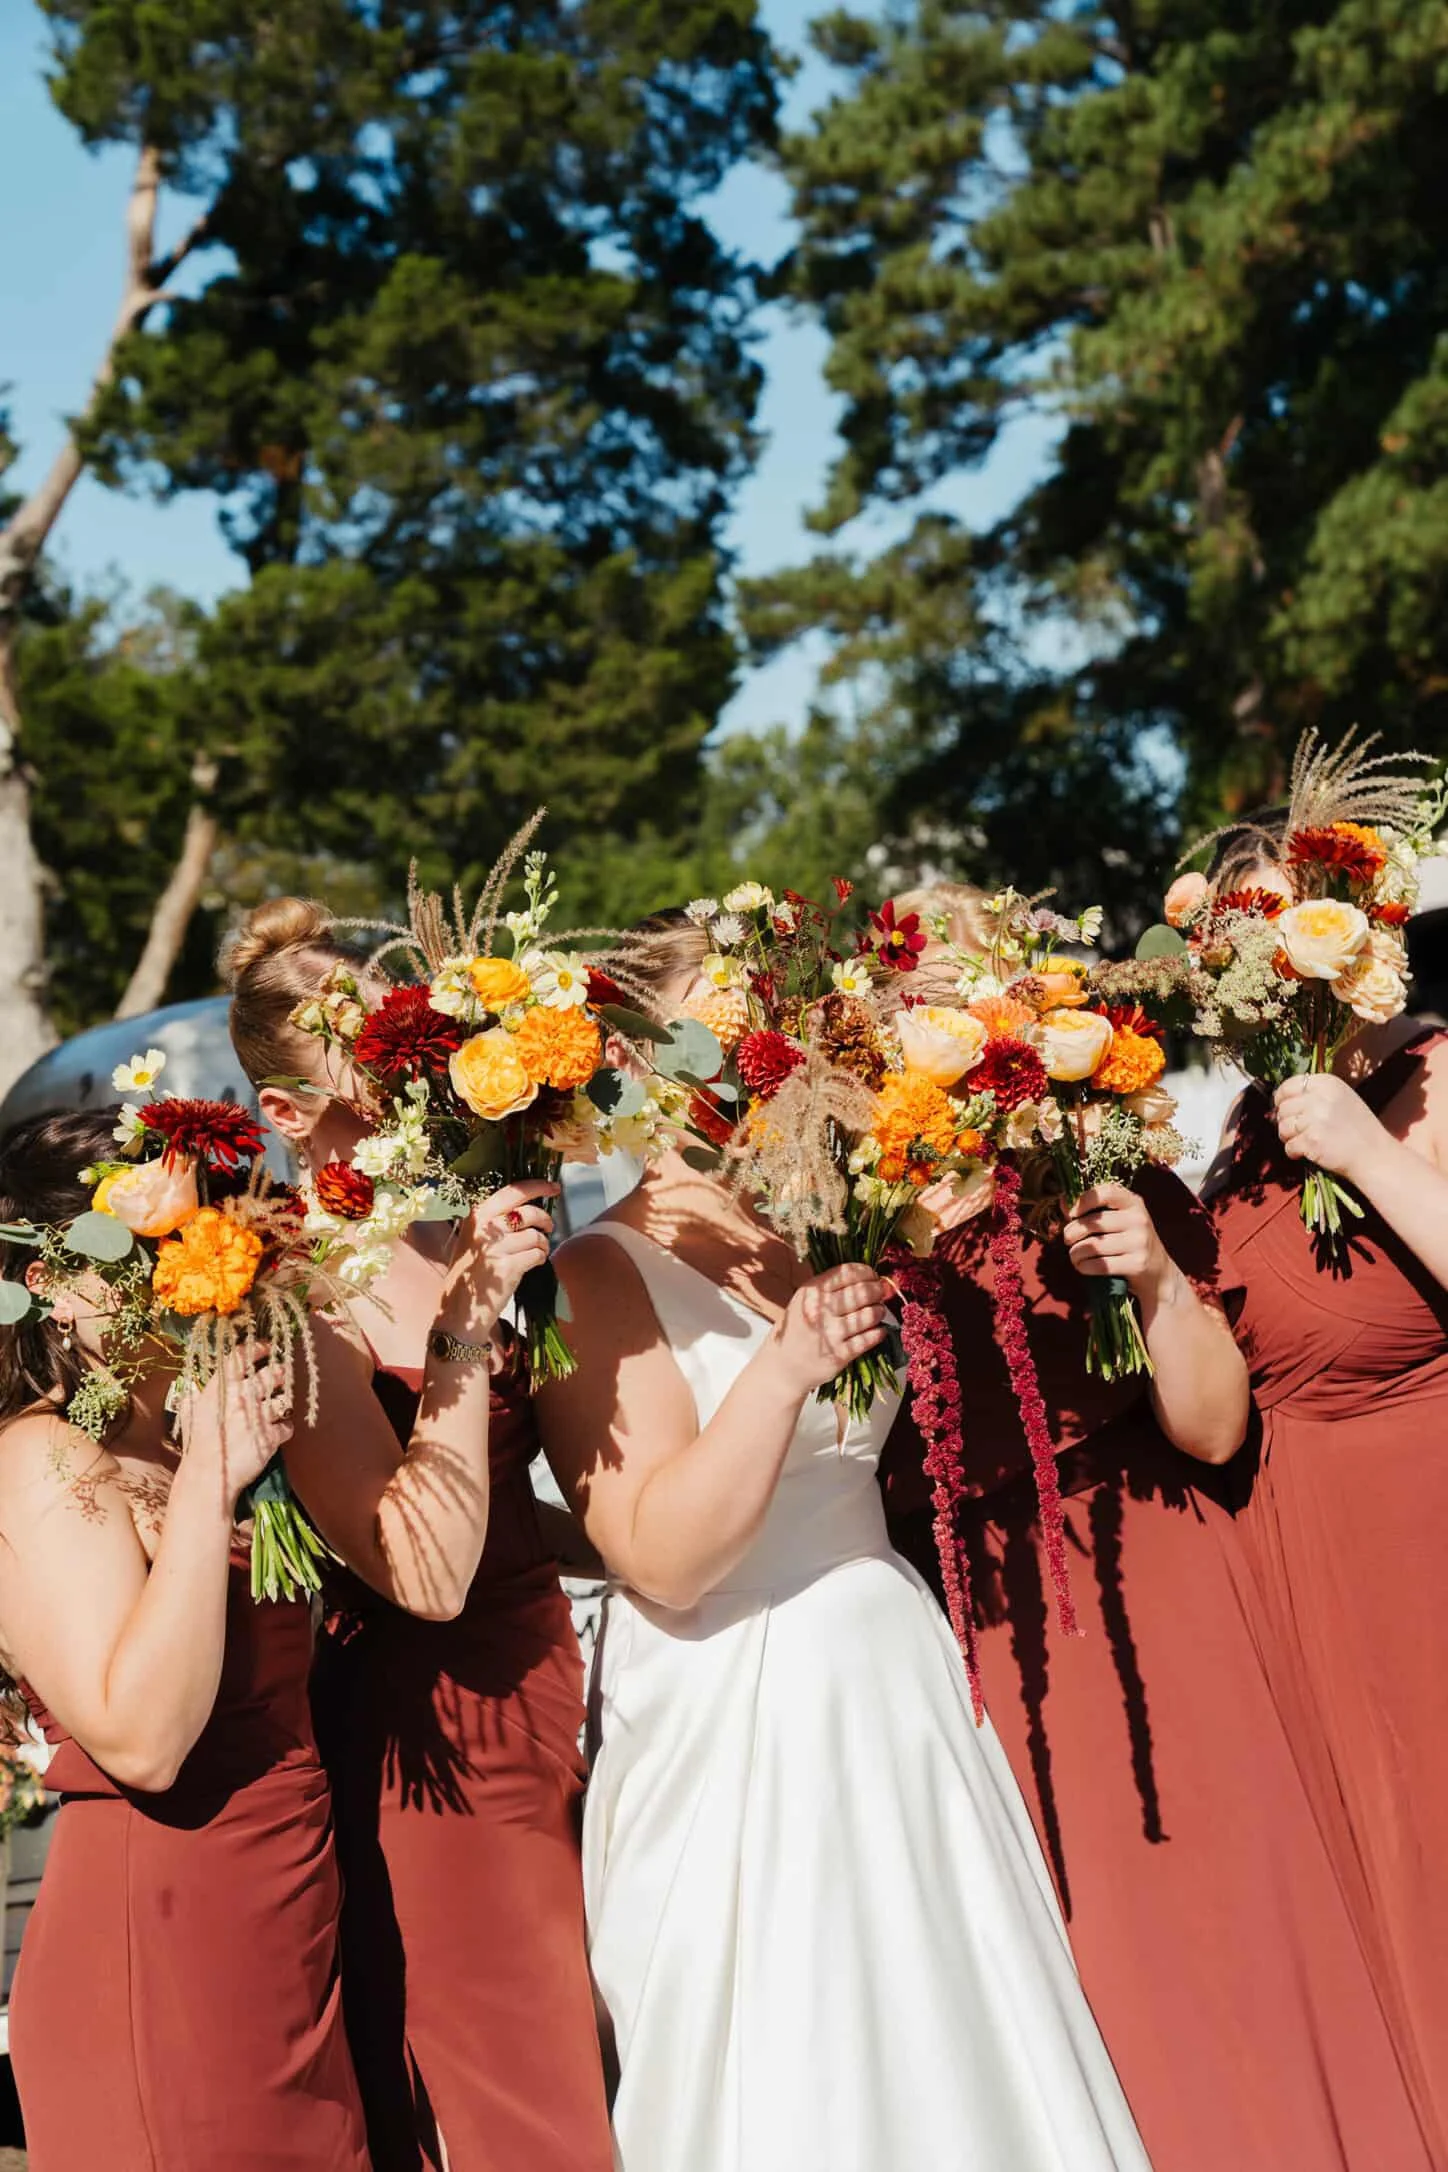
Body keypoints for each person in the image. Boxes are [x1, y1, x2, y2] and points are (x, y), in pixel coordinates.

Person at [536, 908, 1151, 2172]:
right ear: (637, 1058)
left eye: (760, 1027)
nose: (750, 1057)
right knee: (793, 2064)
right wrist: (783, 1370)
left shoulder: (829, 1221)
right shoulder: (595, 1274)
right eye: (715, 1031)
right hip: (734, 1703)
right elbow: (659, 1560)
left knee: (952, 2042)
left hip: (889, 1679)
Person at [880, 877, 1433, 2171]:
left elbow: (1215, 1430)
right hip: (985, 1629)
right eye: (922, 996)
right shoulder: (851, 1204)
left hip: (1161, 1582)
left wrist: (1154, 1280)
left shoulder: (1102, 1164)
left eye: (975, 987)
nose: (951, 1017)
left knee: (1254, 1925)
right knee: (1093, 1976)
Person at [226, 897, 612, 2172]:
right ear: (287, 1115)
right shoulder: (295, 1294)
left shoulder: (451, 1230)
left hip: (556, 1675)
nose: (413, 1073)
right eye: (372, 1057)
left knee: (607, 2046)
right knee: (523, 2093)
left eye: (409, 1039)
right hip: (435, 1729)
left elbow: (503, 1496)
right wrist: (463, 1326)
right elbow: (418, 1572)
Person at [1200, 820, 1448, 2165]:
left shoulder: (1433, 1072)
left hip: (1420, 1534)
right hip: (1291, 1556)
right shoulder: (1250, 1125)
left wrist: (1367, 1151)